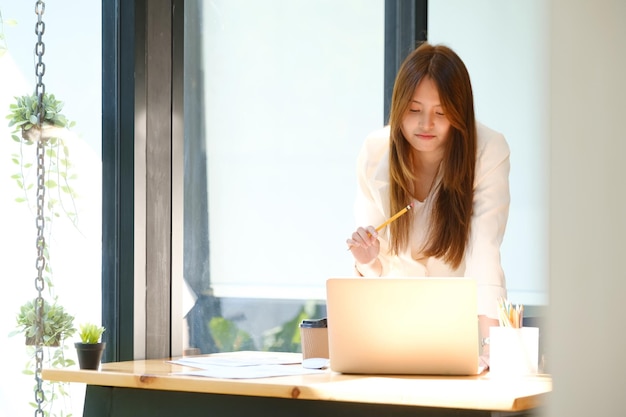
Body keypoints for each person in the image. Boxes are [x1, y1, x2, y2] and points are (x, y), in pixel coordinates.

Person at [346, 42, 510, 364]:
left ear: (459, 112)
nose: (425, 124)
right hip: (389, 331)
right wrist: (366, 260)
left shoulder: (488, 150)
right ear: (399, 107)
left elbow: (484, 250)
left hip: (457, 333)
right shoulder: (375, 151)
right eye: (414, 110)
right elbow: (375, 264)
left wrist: (490, 349)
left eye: (441, 112)